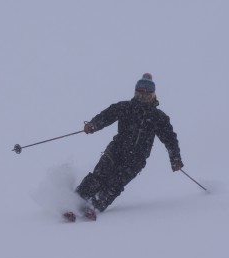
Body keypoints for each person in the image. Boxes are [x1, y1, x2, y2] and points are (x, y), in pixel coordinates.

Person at [76, 73, 184, 213]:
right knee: (99, 176)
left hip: (137, 158)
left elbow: (170, 139)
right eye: (140, 92)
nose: (143, 95)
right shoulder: (125, 107)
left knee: (115, 184)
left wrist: (175, 158)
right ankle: (75, 201)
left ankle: (94, 206)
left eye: (147, 93)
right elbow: (107, 116)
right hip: (116, 150)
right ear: (135, 92)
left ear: (152, 95)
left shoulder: (158, 117)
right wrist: (93, 125)